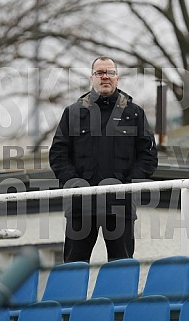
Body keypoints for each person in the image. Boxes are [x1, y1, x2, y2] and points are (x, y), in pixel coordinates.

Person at [49, 56, 158, 263]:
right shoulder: (72, 113)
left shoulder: (134, 114)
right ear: (92, 78)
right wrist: (75, 185)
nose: (105, 77)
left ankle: (119, 297)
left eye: (110, 72)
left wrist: (128, 187)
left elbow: (148, 156)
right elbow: (58, 155)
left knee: (121, 267)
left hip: (120, 205)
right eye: (100, 73)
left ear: (117, 78)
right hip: (81, 205)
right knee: (73, 267)